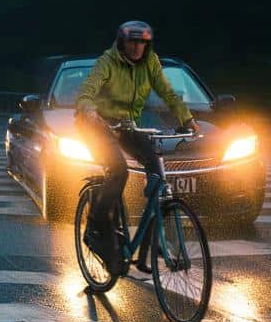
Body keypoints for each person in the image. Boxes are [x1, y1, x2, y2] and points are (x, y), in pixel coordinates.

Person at [74, 21, 199, 272]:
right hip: (95, 125)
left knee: (157, 172)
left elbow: (167, 92)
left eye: (142, 43)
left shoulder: (150, 62)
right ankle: (97, 225)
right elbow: (87, 90)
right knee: (118, 170)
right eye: (132, 42)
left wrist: (187, 119)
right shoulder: (106, 62)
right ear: (121, 43)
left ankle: (146, 252)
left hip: (127, 126)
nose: (136, 47)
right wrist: (88, 109)